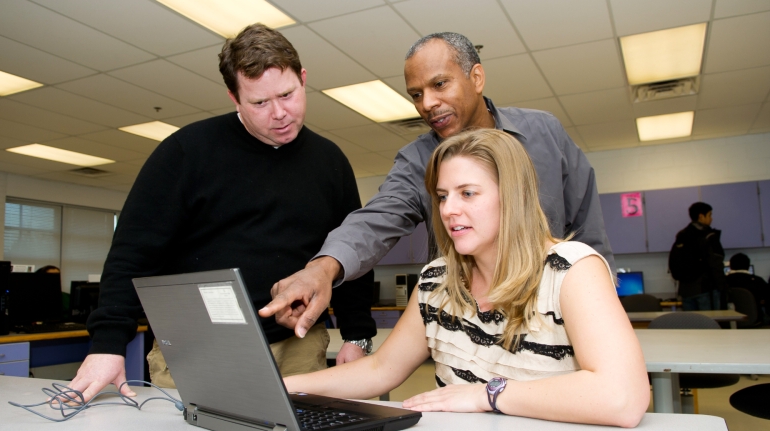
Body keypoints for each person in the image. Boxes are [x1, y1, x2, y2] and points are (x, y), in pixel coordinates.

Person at [66, 23, 376, 401]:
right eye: (260, 103)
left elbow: (349, 256)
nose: (279, 113)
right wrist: (108, 344)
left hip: (297, 347)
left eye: (288, 94)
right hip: (197, 348)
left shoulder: (330, 162)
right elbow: (132, 254)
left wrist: (357, 335)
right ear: (234, 97)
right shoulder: (185, 153)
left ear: (303, 78)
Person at [285, 129, 648, 427]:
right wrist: (281, 387)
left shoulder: (572, 270)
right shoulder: (436, 282)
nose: (448, 210)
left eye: (468, 193)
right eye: (442, 196)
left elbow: (623, 397)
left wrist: (485, 394)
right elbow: (380, 369)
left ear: (513, 197)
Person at [263, 31, 613, 340]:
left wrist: (605, 310)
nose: (427, 104)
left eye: (439, 84)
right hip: (465, 337)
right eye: (416, 94)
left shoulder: (544, 133)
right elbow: (375, 220)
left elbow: (587, 233)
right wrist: (321, 270)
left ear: (476, 77)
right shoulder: (418, 160)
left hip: (553, 329)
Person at [670, 202, 726, 311]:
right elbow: (716, 264)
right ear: (701, 216)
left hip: (685, 291)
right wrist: (723, 288)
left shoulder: (681, 235)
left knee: (692, 325)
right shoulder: (708, 236)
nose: (711, 219)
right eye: (709, 215)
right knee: (710, 324)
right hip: (705, 289)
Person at [727, 253, 768, 325]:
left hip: (728, 322)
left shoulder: (723, 281)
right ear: (748, 266)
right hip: (755, 320)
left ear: (730, 266)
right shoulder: (757, 281)